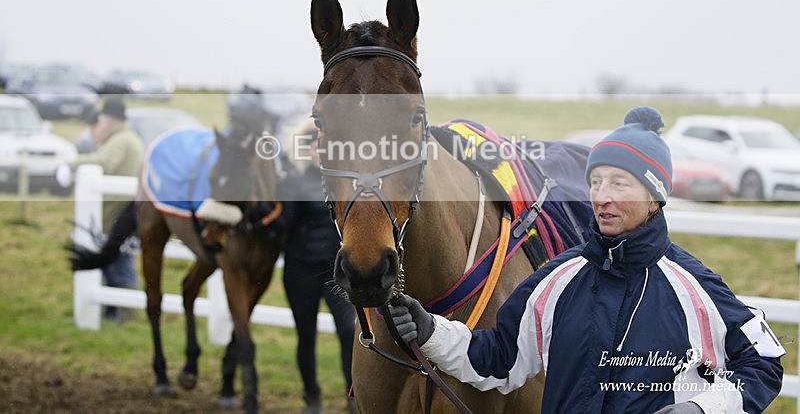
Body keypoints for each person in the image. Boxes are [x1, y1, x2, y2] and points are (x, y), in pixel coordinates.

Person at [389, 106, 784, 413]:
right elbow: (501, 358)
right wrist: (431, 332)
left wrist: (703, 408)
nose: (601, 196)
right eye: (595, 182)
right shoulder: (555, 279)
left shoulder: (694, 285)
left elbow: (763, 361)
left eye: (619, 183)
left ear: (654, 197)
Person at [280, 129, 356, 414]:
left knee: (349, 331)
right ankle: (311, 397)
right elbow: (282, 224)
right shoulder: (294, 184)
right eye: (314, 148)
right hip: (299, 271)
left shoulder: (345, 184)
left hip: (335, 273)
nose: (319, 153)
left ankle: (353, 395)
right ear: (308, 152)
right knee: (306, 335)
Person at [61, 98, 145, 321]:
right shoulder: (127, 138)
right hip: (119, 213)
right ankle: (115, 312)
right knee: (115, 262)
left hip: (115, 215)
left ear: (107, 120)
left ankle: (124, 314)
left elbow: (103, 162)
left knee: (119, 264)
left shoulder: (120, 140)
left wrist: (69, 165)